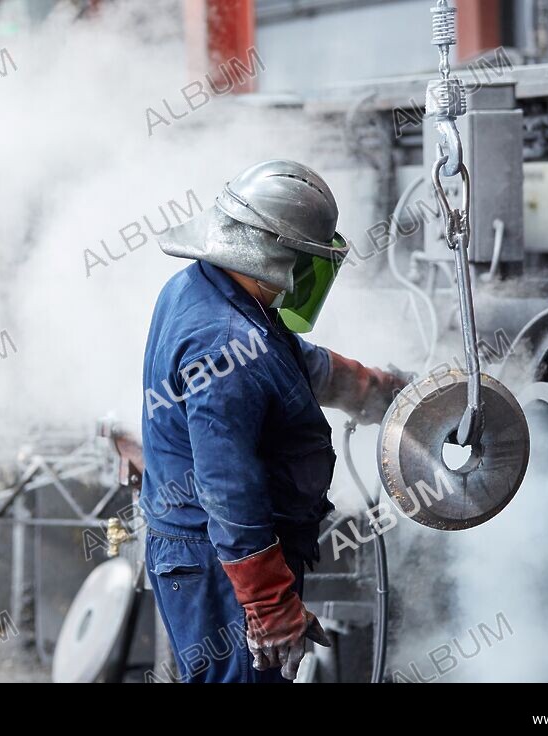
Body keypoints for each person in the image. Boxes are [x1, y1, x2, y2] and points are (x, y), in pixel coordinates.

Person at [140, 160, 409, 682]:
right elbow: (227, 489)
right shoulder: (223, 341)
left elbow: (285, 361)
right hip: (223, 562)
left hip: (210, 553)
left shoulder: (203, 287)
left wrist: (375, 389)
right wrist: (268, 603)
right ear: (278, 254)